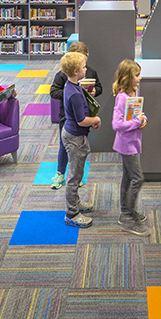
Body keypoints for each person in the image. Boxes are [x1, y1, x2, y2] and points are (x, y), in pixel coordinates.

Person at [48, 41, 101, 189]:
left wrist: (93, 92)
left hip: (84, 114)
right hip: (66, 116)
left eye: (83, 61)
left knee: (78, 150)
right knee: (63, 146)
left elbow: (100, 87)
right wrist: (71, 94)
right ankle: (60, 173)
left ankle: (77, 174)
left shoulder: (90, 72)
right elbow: (53, 92)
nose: (82, 65)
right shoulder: (62, 76)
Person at [61, 51, 99, 228]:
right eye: (84, 67)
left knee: (77, 172)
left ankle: (75, 203)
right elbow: (82, 120)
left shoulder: (72, 85)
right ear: (76, 71)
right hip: (75, 136)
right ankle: (72, 213)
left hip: (75, 134)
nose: (86, 69)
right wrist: (96, 120)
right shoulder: (74, 93)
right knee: (74, 176)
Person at [111, 59, 148, 236]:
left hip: (133, 142)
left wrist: (143, 120)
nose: (140, 78)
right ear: (127, 77)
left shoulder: (133, 92)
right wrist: (135, 122)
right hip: (127, 145)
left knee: (127, 177)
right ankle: (127, 217)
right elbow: (117, 125)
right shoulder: (122, 98)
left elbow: (137, 114)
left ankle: (126, 211)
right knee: (137, 178)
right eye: (137, 75)